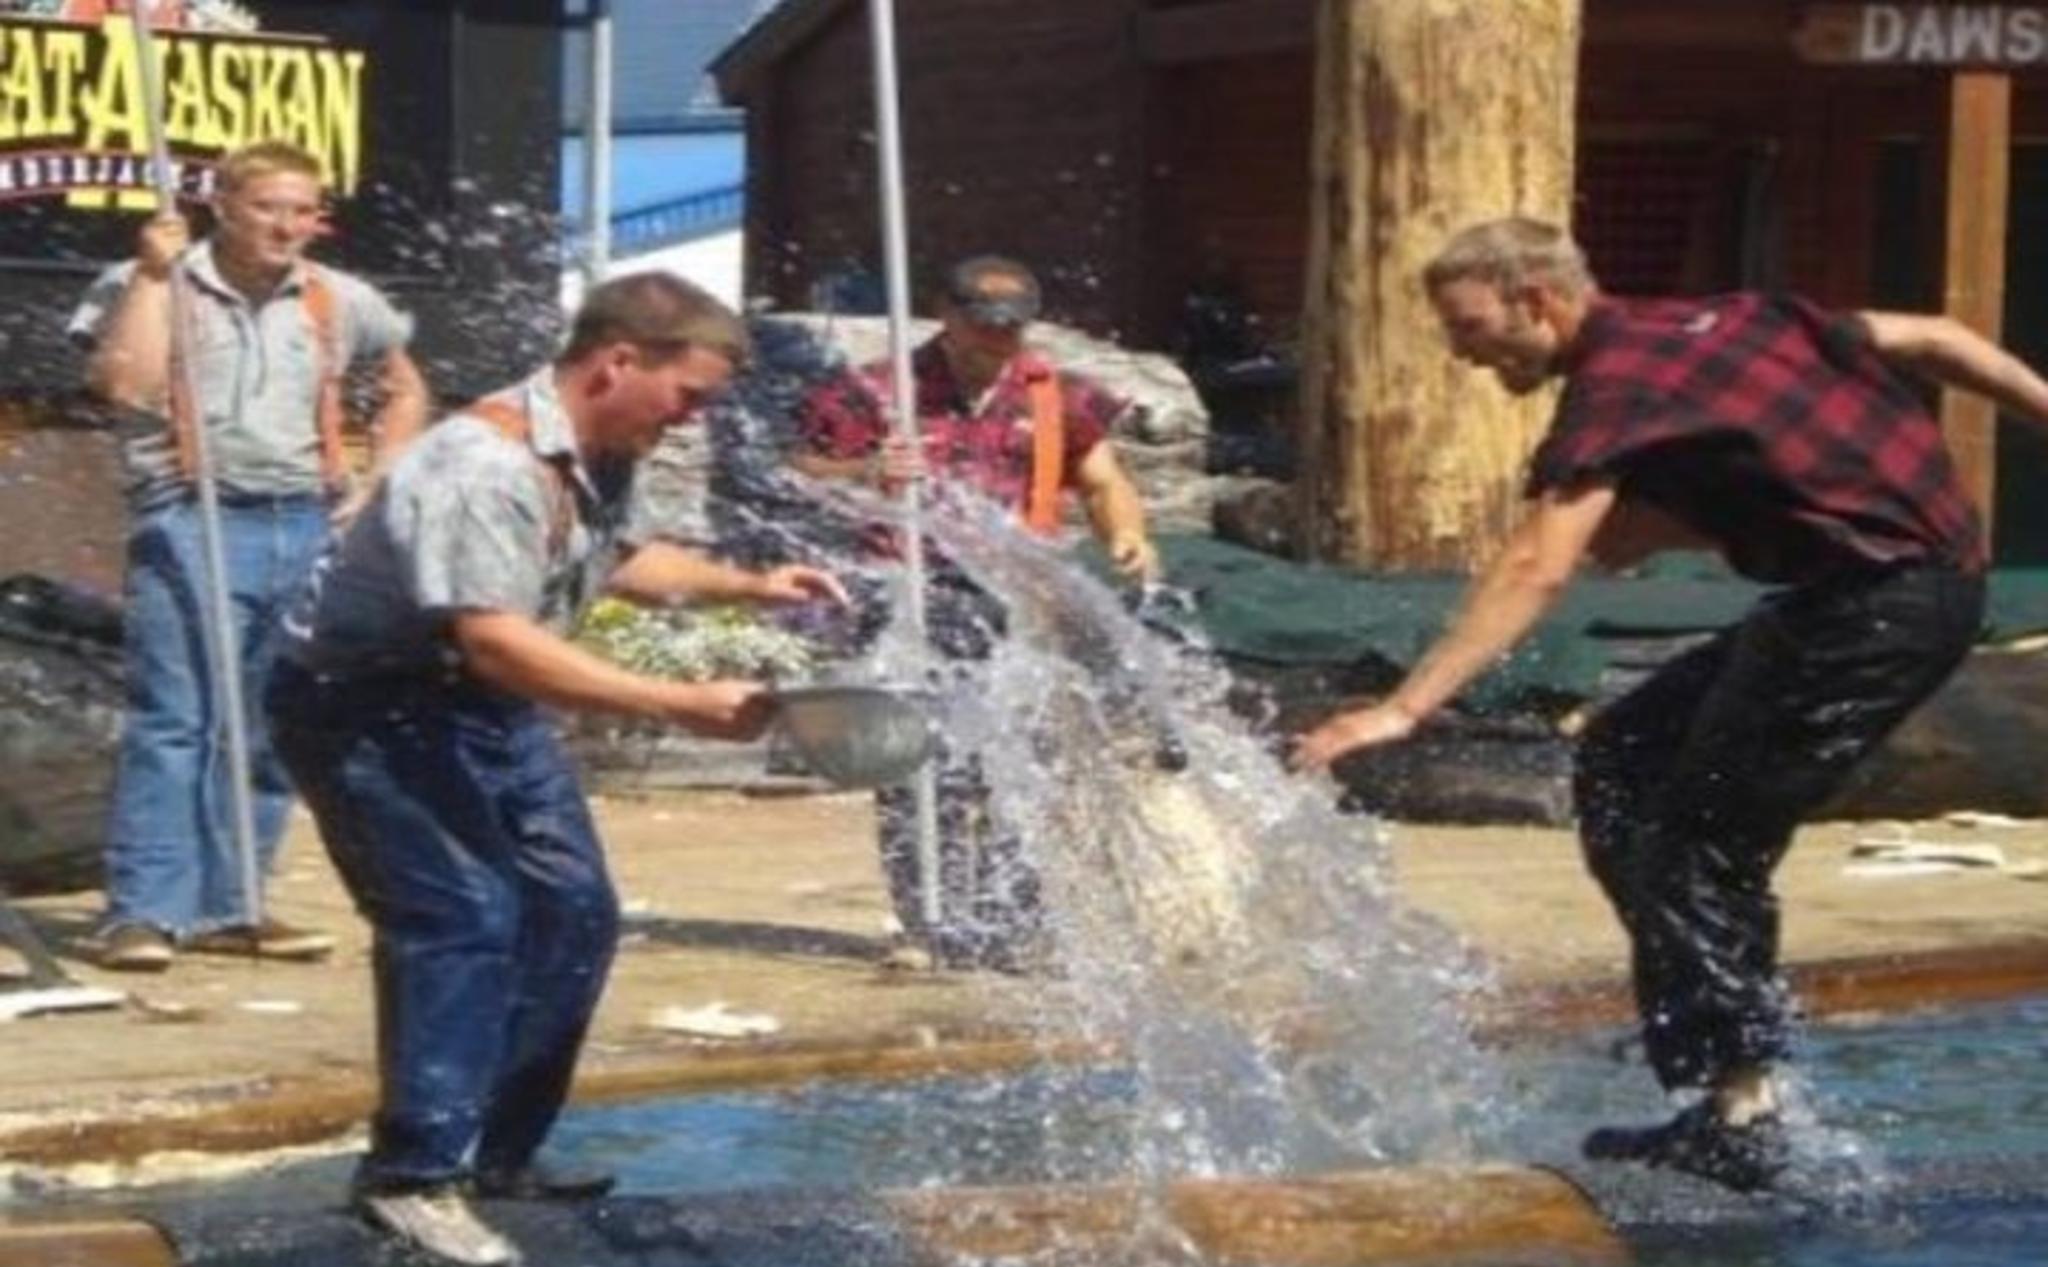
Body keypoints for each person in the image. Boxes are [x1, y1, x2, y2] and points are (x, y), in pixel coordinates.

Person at [1295, 217, 2048, 1192]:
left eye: (1470, 325)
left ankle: (1741, 1109)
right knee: (1619, 758)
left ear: (1538, 299)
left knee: (1696, 842)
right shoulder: (1735, 318)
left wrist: (1403, 710)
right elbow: (1943, 339)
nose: (1460, 351)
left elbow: (1536, 566)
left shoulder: (1614, 392)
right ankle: (1699, 1030)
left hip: (1878, 609)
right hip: (1857, 593)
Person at [267, 272, 847, 1267]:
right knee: (459, 917)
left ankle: (494, 1155)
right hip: (368, 705)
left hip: (475, 704)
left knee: (573, 912)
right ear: (617, 362)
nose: (693, 420)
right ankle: (412, 1179)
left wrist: (748, 587)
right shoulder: (478, 466)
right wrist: (681, 705)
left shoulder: (597, 449)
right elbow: (496, 642)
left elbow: (614, 559)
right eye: (689, 396)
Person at [70, 140, 431, 973]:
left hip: (304, 519)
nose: (287, 225)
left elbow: (406, 384)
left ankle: (233, 904)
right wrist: (155, 279)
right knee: (178, 717)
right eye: (269, 205)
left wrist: (379, 478)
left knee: (268, 722)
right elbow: (124, 385)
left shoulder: (337, 299)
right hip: (193, 514)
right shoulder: (153, 281)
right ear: (222, 205)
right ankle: (144, 911)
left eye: (302, 209)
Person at [795, 254, 1160, 970]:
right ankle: (925, 917)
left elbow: (1102, 477)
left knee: (1016, 758)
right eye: (986, 325)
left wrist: (1128, 532)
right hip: (907, 593)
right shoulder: (877, 391)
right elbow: (803, 468)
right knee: (918, 761)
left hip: (1016, 599)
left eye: (1014, 326)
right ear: (949, 316)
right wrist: (867, 472)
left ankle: (1014, 919)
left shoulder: (1057, 395)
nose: (1002, 339)